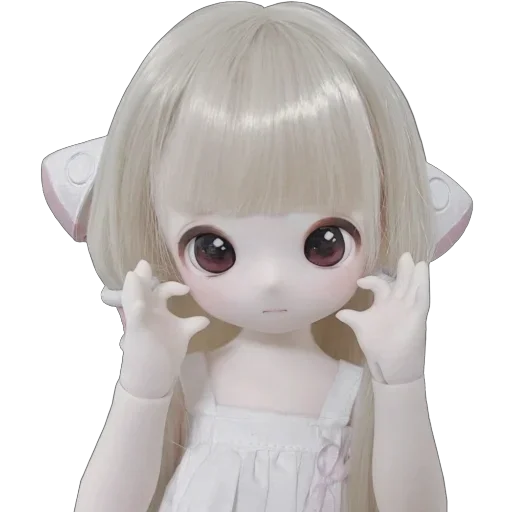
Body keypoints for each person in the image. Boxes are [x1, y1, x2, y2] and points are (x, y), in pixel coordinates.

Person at [75, 2, 448, 511]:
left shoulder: (351, 389)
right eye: (215, 250)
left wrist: (400, 380)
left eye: (324, 243)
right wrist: (142, 386)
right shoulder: (189, 378)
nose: (271, 278)